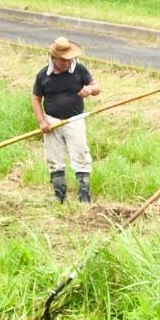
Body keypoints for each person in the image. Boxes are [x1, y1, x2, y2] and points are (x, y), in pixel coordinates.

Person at [32, 38, 101, 204]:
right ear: (54, 58)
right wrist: (42, 121)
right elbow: (35, 98)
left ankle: (84, 195)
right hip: (52, 122)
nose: (67, 63)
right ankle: (59, 195)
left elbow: (97, 87)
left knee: (80, 154)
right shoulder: (43, 75)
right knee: (54, 158)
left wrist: (90, 89)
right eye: (63, 60)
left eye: (69, 59)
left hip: (75, 120)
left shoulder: (79, 69)